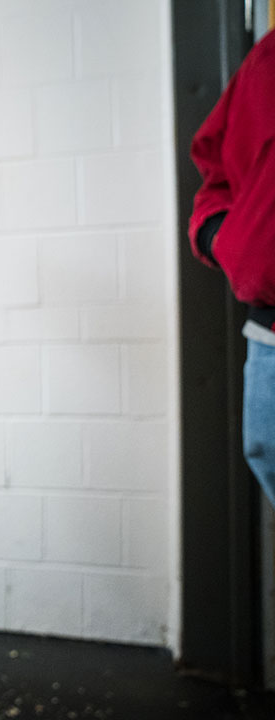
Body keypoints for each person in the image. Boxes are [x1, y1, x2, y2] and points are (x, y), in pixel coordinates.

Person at [188, 28, 275, 508]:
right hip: (269, 332)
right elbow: (214, 168)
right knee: (265, 452)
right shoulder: (267, 58)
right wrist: (223, 237)